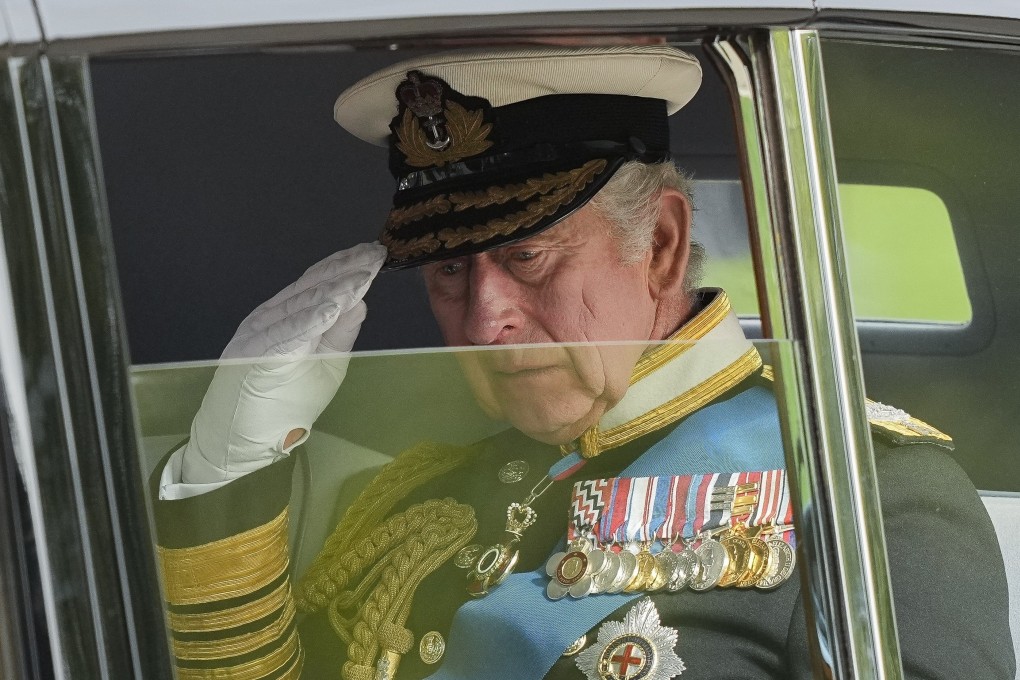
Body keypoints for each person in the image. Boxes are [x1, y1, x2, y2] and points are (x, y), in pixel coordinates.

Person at [149, 46, 1014, 680]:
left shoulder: (862, 497)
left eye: (528, 257)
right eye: (450, 270)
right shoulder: (420, 501)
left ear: (665, 246)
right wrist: (229, 471)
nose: (485, 322)